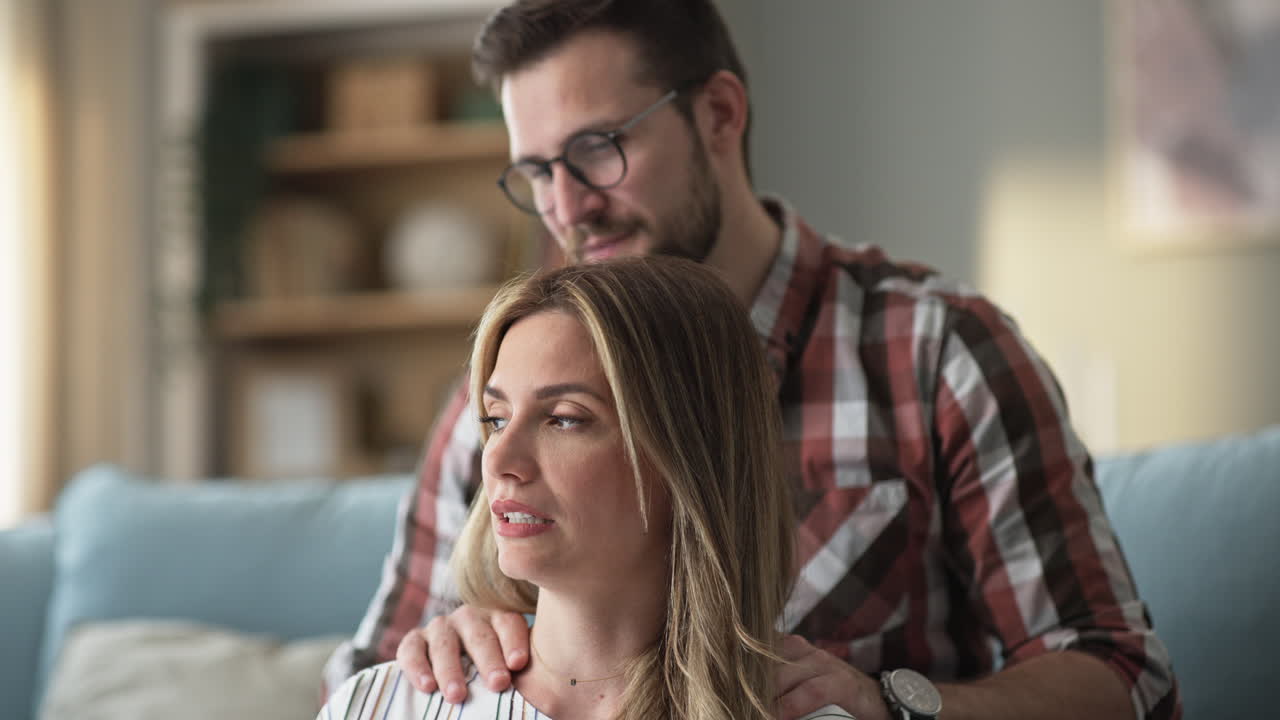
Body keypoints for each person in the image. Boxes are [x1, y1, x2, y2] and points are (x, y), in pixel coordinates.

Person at [325, 1, 1183, 718]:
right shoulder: (511, 376)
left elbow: (1124, 675)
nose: (567, 208)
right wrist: (437, 642)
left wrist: (894, 704)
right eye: (536, 172)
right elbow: (368, 669)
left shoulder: (937, 354)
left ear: (721, 114)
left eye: (596, 150)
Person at [320, 257, 854, 720]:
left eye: (565, 419)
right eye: (497, 418)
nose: (500, 460)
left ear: (690, 458)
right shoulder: (380, 703)